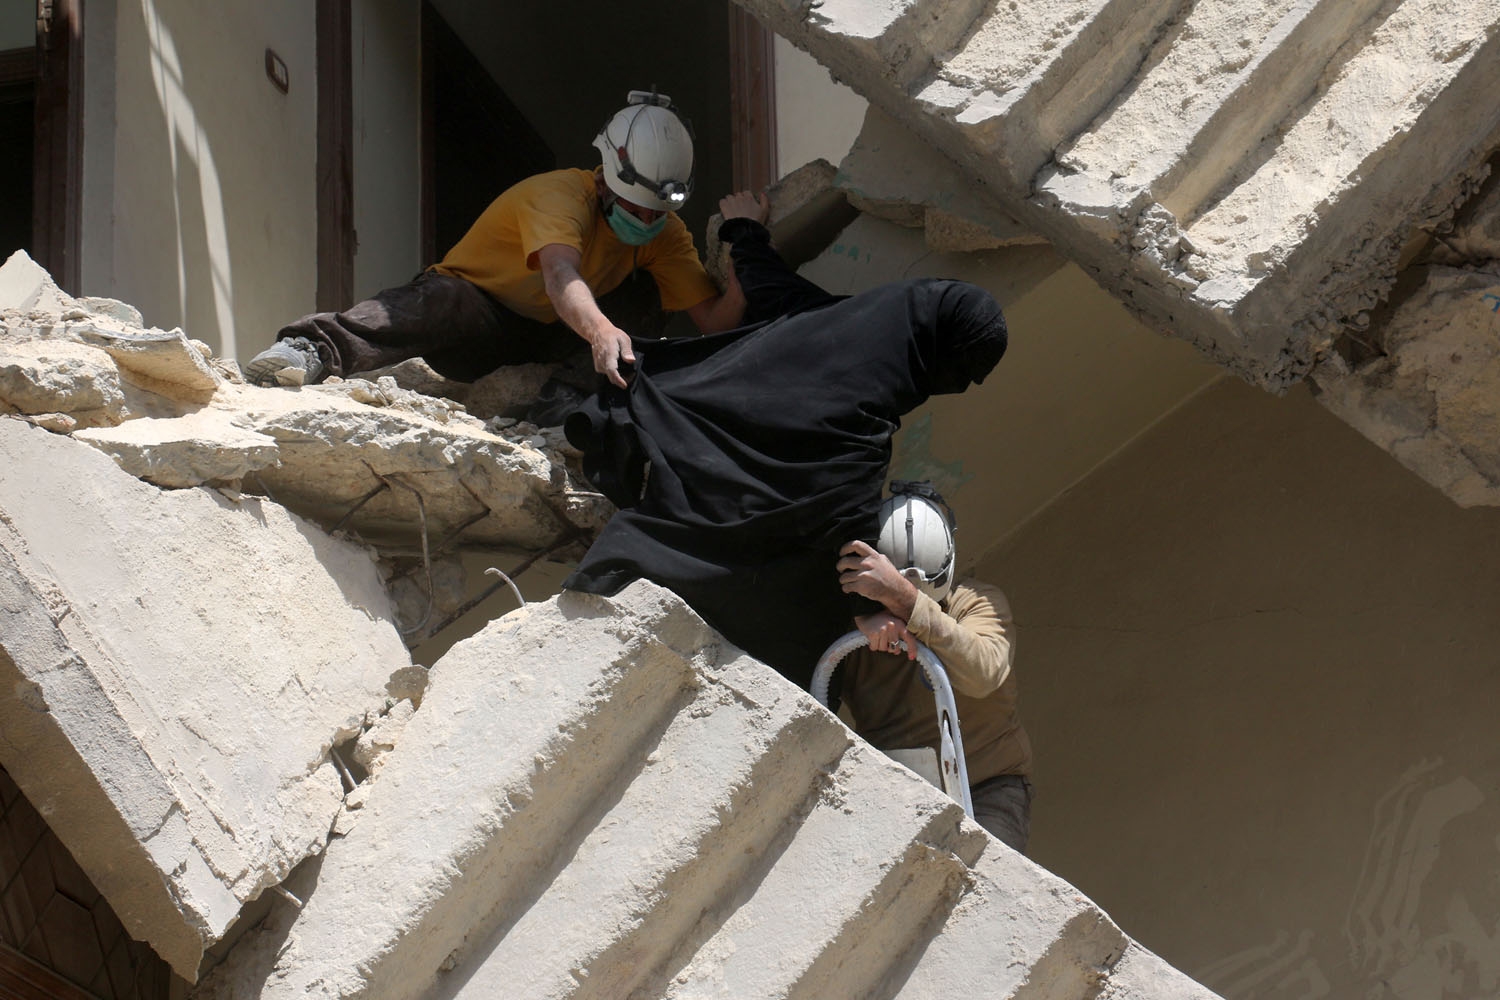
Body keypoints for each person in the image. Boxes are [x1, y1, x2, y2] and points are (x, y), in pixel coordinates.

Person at [562, 218, 1008, 688]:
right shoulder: (869, 399)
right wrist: (869, 611)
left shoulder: (834, 316)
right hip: (712, 487)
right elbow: (846, 502)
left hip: (682, 431)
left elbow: (773, 287)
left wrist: (746, 233)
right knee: (805, 587)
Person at [245, 90, 762, 393]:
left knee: (644, 298)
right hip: (478, 325)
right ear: (607, 177)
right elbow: (561, 273)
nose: (647, 219)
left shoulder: (664, 235)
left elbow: (714, 322)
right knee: (447, 296)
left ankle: (564, 406)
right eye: (636, 207)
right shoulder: (559, 195)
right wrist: (601, 331)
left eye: (657, 211)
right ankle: (311, 347)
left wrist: (747, 249)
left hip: (550, 337)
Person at [834, 481, 1033, 853]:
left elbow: (983, 672)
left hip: (987, 784)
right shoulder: (851, 621)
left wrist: (908, 604)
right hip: (899, 789)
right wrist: (861, 618)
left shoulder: (977, 602)